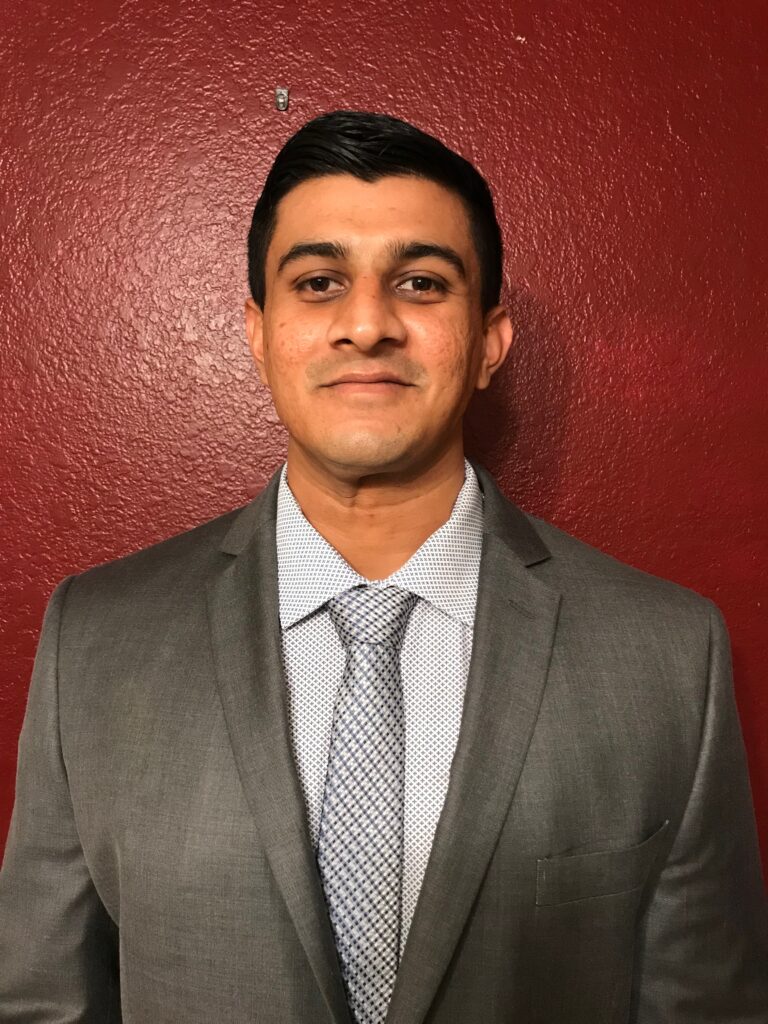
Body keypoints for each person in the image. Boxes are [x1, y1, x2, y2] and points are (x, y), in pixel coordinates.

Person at [1, 110, 766, 1024]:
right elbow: (41, 1001)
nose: (367, 325)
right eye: (319, 282)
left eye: (420, 282)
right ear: (258, 331)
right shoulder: (97, 637)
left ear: (490, 342)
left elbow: (707, 1006)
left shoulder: (668, 655)